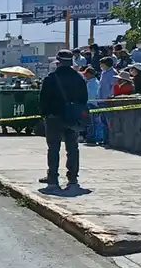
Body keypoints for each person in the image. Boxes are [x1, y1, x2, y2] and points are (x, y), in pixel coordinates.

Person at [38, 50, 88, 189]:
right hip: (72, 118)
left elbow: (43, 99)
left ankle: (52, 177)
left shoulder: (51, 78)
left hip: (54, 117)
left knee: (53, 148)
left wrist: (43, 114)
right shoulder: (79, 78)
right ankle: (72, 178)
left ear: (58, 62)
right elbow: (84, 98)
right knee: (73, 148)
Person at [82, 67, 100, 145]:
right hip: (91, 104)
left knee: (91, 122)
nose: (85, 76)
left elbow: (91, 96)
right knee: (91, 122)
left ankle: (91, 137)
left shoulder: (93, 83)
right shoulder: (92, 82)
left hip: (92, 104)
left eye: (86, 74)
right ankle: (90, 137)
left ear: (90, 74)